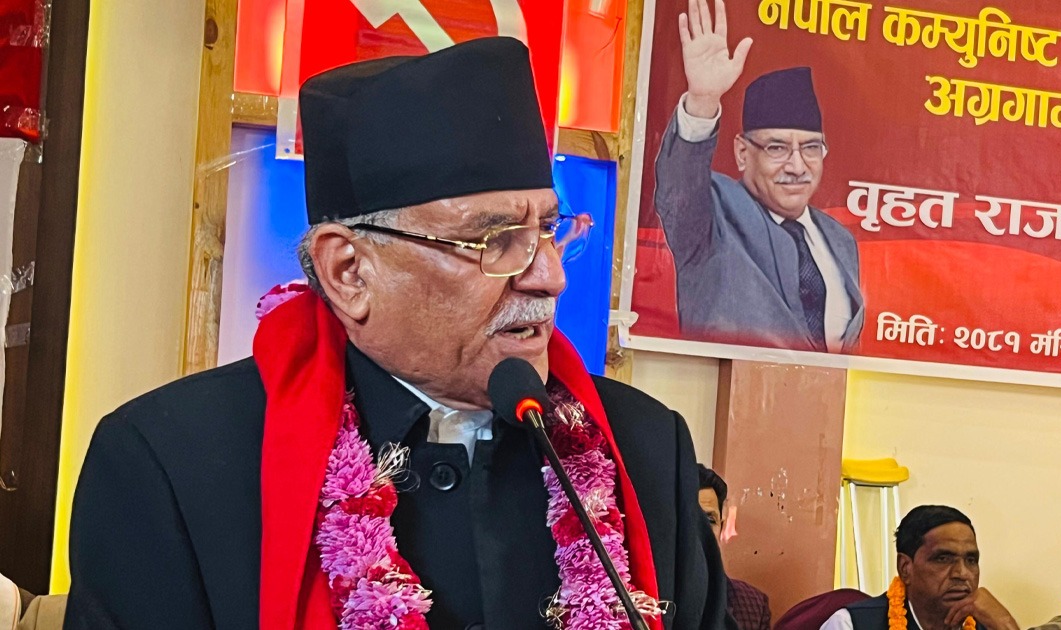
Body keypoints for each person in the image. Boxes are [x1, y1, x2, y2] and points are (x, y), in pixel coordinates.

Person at [65, 37, 729, 629]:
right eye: (495, 239)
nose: (549, 277)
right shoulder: (170, 465)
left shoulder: (646, 449)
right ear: (349, 271)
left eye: (549, 230)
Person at [654, 0, 863, 353]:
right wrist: (703, 101)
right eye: (777, 148)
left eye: (811, 148)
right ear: (742, 152)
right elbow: (679, 191)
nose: (797, 166)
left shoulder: (840, 240)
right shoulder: (713, 213)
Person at [820, 505, 1020, 630]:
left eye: (971, 560)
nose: (962, 573)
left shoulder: (988, 625)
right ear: (905, 568)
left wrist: (1006, 624)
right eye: (943, 558)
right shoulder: (851, 625)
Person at [698, 464, 770, 630]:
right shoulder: (645, 599)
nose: (699, 531)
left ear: (721, 527)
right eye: (689, 519)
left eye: (709, 520)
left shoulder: (752, 604)